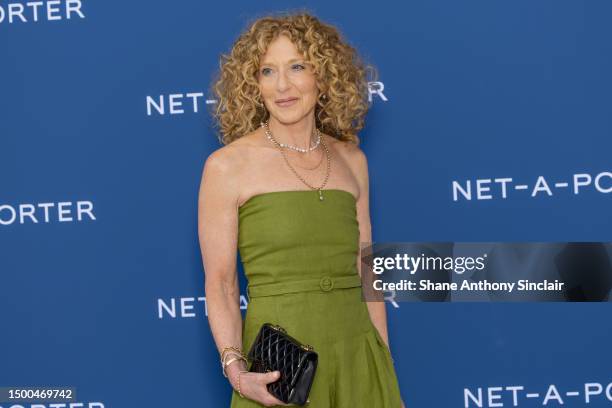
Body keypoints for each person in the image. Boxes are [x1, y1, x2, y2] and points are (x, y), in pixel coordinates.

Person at [198, 11, 405, 407]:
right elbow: (221, 284)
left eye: (297, 66)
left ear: (323, 75)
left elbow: (367, 271)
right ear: (252, 84)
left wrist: (383, 363)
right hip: (282, 371)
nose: (283, 86)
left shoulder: (351, 159)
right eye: (267, 71)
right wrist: (237, 372)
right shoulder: (227, 166)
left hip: (357, 355)